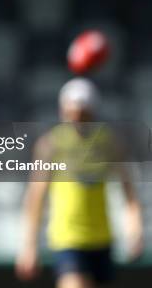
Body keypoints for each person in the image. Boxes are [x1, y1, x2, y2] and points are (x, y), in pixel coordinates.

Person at [15, 78, 144, 288]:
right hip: (68, 240)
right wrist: (29, 246)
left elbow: (128, 191)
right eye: (71, 114)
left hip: (101, 239)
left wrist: (134, 230)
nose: (77, 121)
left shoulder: (109, 143)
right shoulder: (52, 145)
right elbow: (35, 197)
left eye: (83, 115)